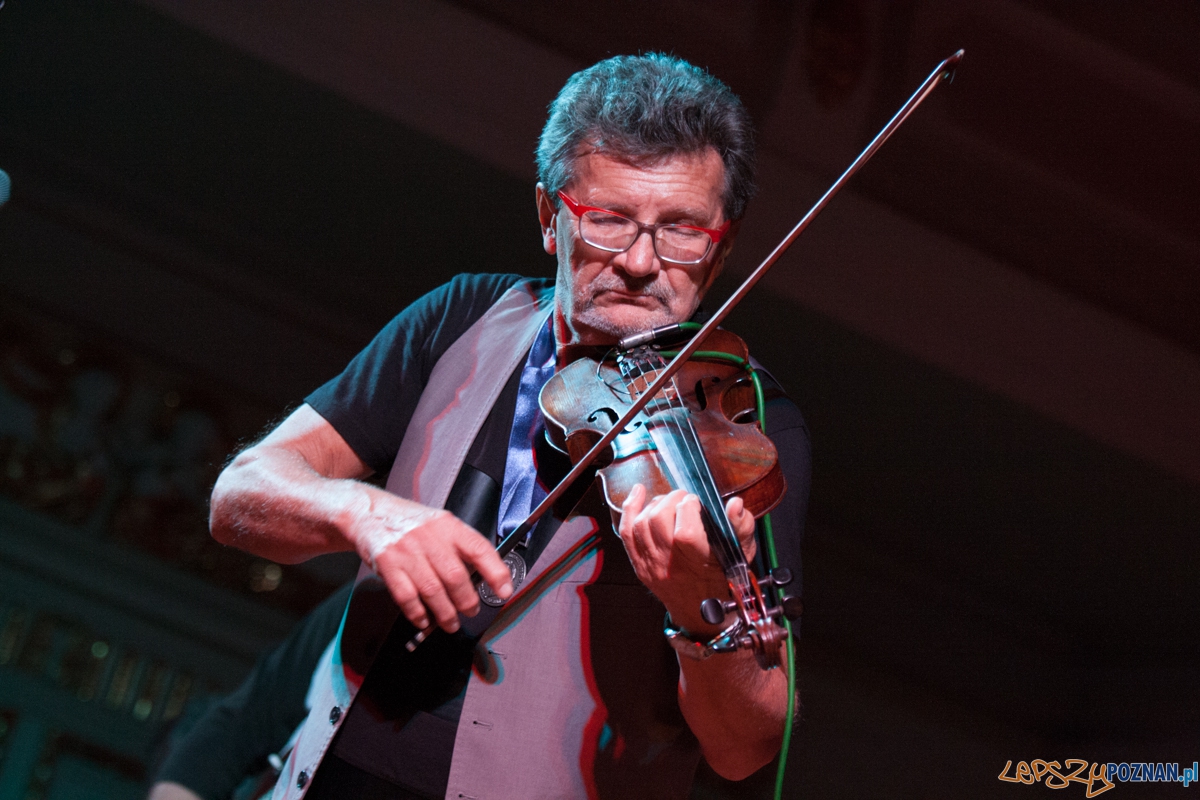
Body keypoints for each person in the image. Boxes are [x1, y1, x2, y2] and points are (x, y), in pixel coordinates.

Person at [209, 53, 811, 800]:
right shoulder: (462, 318)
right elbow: (240, 497)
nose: (640, 262)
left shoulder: (749, 430)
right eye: (609, 221)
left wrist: (698, 604)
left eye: (683, 231)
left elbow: (746, 748)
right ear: (549, 220)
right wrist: (364, 513)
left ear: (720, 253)